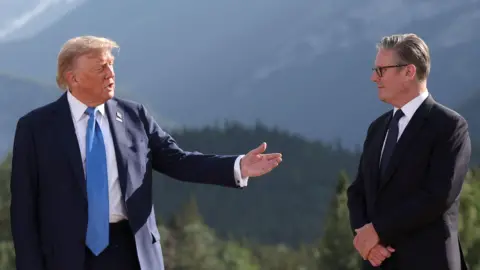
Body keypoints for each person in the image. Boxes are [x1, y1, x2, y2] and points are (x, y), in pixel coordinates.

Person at [9, 36, 283, 270]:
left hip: (133, 252)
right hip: (67, 257)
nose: (111, 73)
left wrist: (238, 167)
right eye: (101, 67)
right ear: (73, 77)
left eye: (111, 65)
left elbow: (179, 161)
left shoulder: (133, 115)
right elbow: (23, 209)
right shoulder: (36, 128)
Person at [346, 33, 470, 270]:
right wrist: (367, 241)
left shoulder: (450, 126)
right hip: (377, 262)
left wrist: (377, 230)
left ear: (409, 72)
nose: (374, 78)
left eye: (381, 70)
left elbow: (438, 196)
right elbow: (357, 191)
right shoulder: (377, 128)